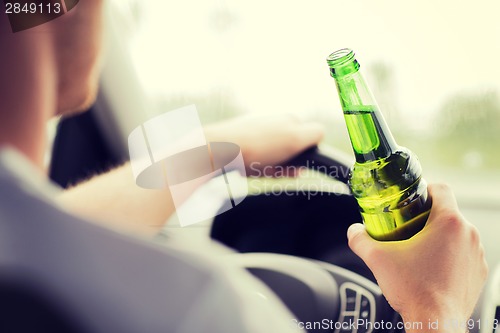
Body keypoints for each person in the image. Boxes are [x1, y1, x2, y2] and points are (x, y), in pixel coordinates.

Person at [0, 1, 488, 332]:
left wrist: (210, 150)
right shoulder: (194, 308)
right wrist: (438, 307)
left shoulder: (24, 250)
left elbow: (44, 230)